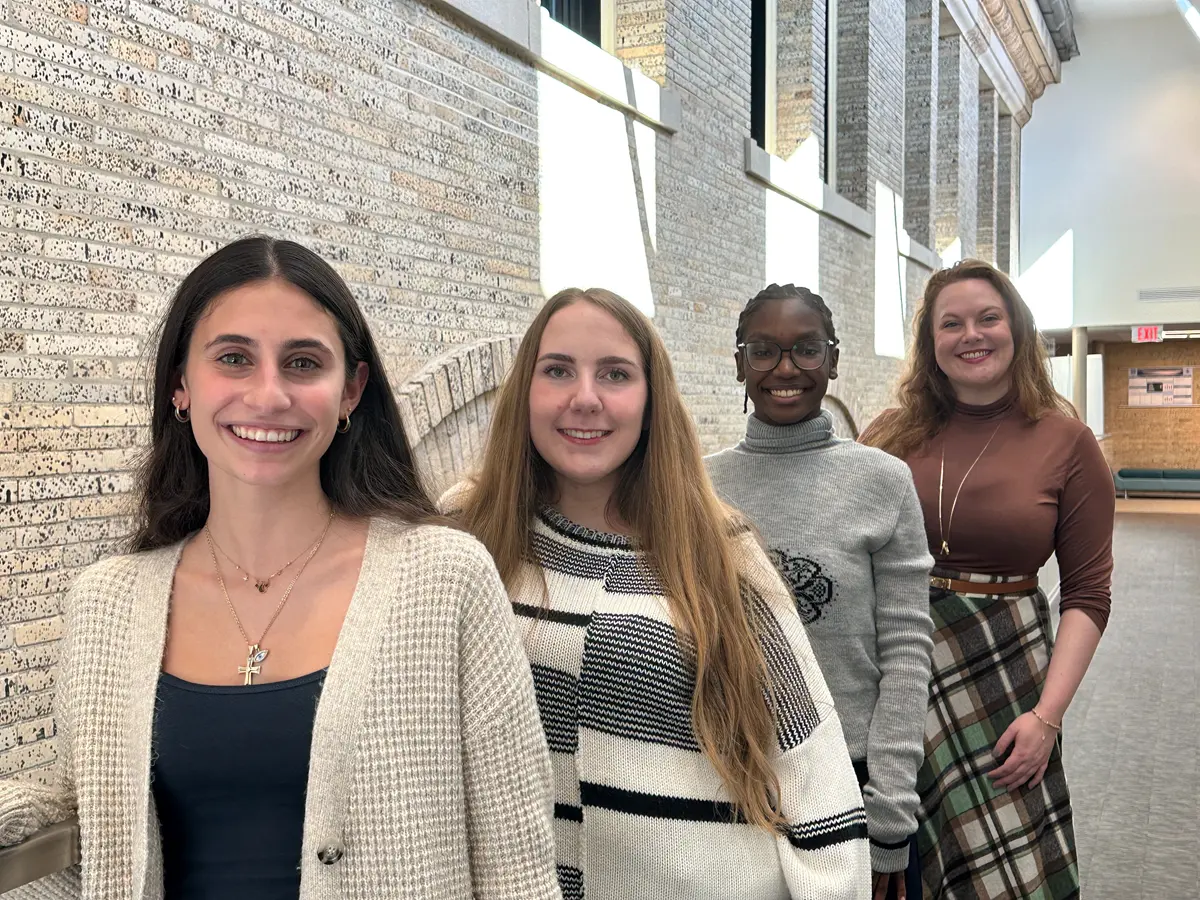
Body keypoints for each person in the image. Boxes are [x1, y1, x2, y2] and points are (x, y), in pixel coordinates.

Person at [0, 236, 561, 900]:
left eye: (302, 363)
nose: (267, 395)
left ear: (350, 390)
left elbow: (518, 869)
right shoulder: (106, 603)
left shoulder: (445, 579)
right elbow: (91, 827)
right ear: (181, 384)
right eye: (233, 359)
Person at [445, 287, 871, 900]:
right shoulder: (467, 532)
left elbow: (812, 767)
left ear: (650, 401)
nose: (584, 398)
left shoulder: (719, 551)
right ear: (524, 392)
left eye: (615, 374)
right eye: (558, 369)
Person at [860, 259, 1114, 900]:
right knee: (895, 857)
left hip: (1006, 677)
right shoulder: (887, 435)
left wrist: (1047, 717)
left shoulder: (1066, 439)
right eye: (952, 323)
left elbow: (1087, 595)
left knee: (1005, 863)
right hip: (894, 661)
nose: (971, 334)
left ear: (1017, 329)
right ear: (931, 344)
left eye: (987, 317)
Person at [705, 283, 934, 900]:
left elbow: (907, 655)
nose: (785, 369)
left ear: (833, 361)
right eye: (764, 351)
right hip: (733, 778)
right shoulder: (700, 484)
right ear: (738, 364)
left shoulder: (883, 480)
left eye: (807, 350)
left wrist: (890, 811)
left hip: (854, 781)